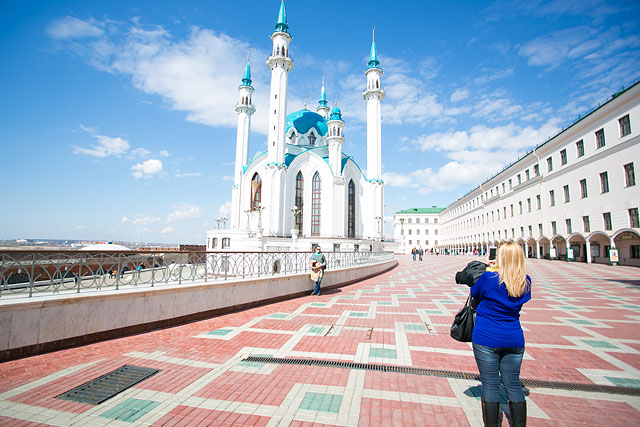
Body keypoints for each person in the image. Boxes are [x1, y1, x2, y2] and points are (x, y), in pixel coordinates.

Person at [470, 241, 531, 427]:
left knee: (490, 385)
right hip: (514, 338)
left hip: (486, 338)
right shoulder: (525, 281)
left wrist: (489, 268)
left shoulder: (489, 279)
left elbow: (475, 292)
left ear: (500, 258)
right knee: (513, 385)